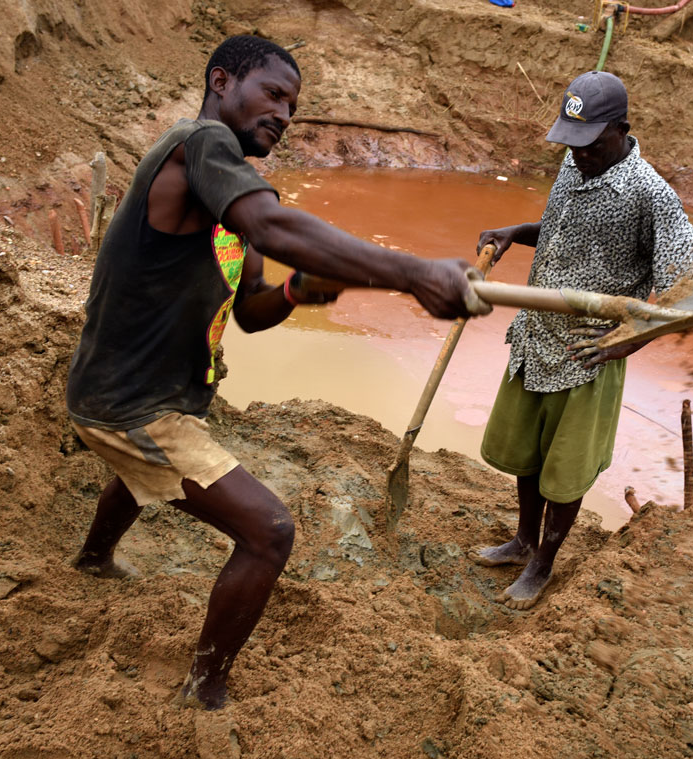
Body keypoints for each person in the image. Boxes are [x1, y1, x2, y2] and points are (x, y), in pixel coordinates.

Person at [65, 35, 485, 710]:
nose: (286, 114)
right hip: (129, 404)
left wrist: (295, 294)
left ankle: (92, 559)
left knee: (146, 467)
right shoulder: (201, 144)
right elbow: (274, 226)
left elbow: (254, 310)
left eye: (293, 103)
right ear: (221, 80)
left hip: (148, 392)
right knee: (269, 533)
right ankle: (205, 688)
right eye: (273, 94)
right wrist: (414, 273)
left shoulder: (228, 194)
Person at [471, 70, 693, 610]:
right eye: (570, 144)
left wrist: (629, 341)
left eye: (591, 145)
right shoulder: (573, 163)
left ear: (622, 130)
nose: (578, 156)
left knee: (565, 469)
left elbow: (685, 288)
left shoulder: (651, 196)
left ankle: (542, 565)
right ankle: (524, 540)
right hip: (535, 336)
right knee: (527, 455)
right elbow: (557, 232)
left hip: (586, 353)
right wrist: (514, 232)